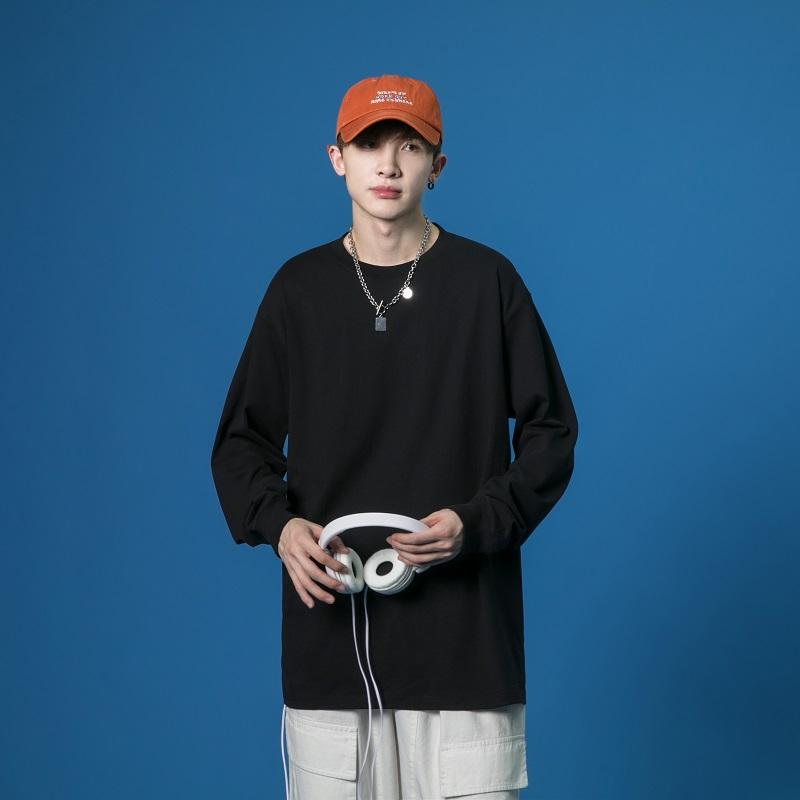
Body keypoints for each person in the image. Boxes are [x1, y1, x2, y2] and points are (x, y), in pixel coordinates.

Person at [210, 74, 579, 800]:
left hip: (468, 653)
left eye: (409, 147)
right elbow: (239, 442)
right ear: (337, 159)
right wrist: (280, 528)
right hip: (331, 646)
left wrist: (477, 523)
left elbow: (552, 433)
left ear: (437, 167)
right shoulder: (297, 290)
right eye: (368, 144)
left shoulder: (488, 282)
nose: (387, 163)